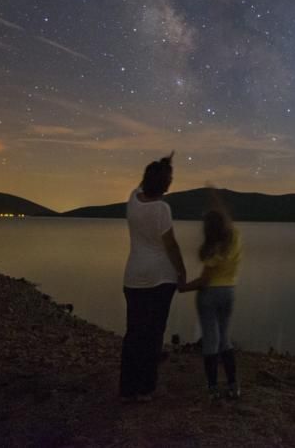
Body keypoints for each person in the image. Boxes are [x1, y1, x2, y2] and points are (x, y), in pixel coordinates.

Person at [119, 152, 186, 402]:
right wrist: (182, 271)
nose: (171, 183)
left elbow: (142, 183)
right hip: (160, 278)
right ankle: (146, 389)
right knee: (154, 333)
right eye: (169, 179)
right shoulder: (162, 209)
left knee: (134, 333)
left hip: (133, 276)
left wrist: (162, 164)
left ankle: (127, 388)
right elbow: (171, 245)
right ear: (164, 184)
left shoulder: (132, 200)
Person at [180, 193, 242, 401]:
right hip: (229, 292)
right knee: (225, 338)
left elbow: (204, 280)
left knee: (211, 340)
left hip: (210, 295)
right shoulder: (235, 237)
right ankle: (233, 385)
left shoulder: (213, 251)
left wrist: (183, 287)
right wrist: (215, 196)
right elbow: (226, 217)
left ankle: (213, 388)